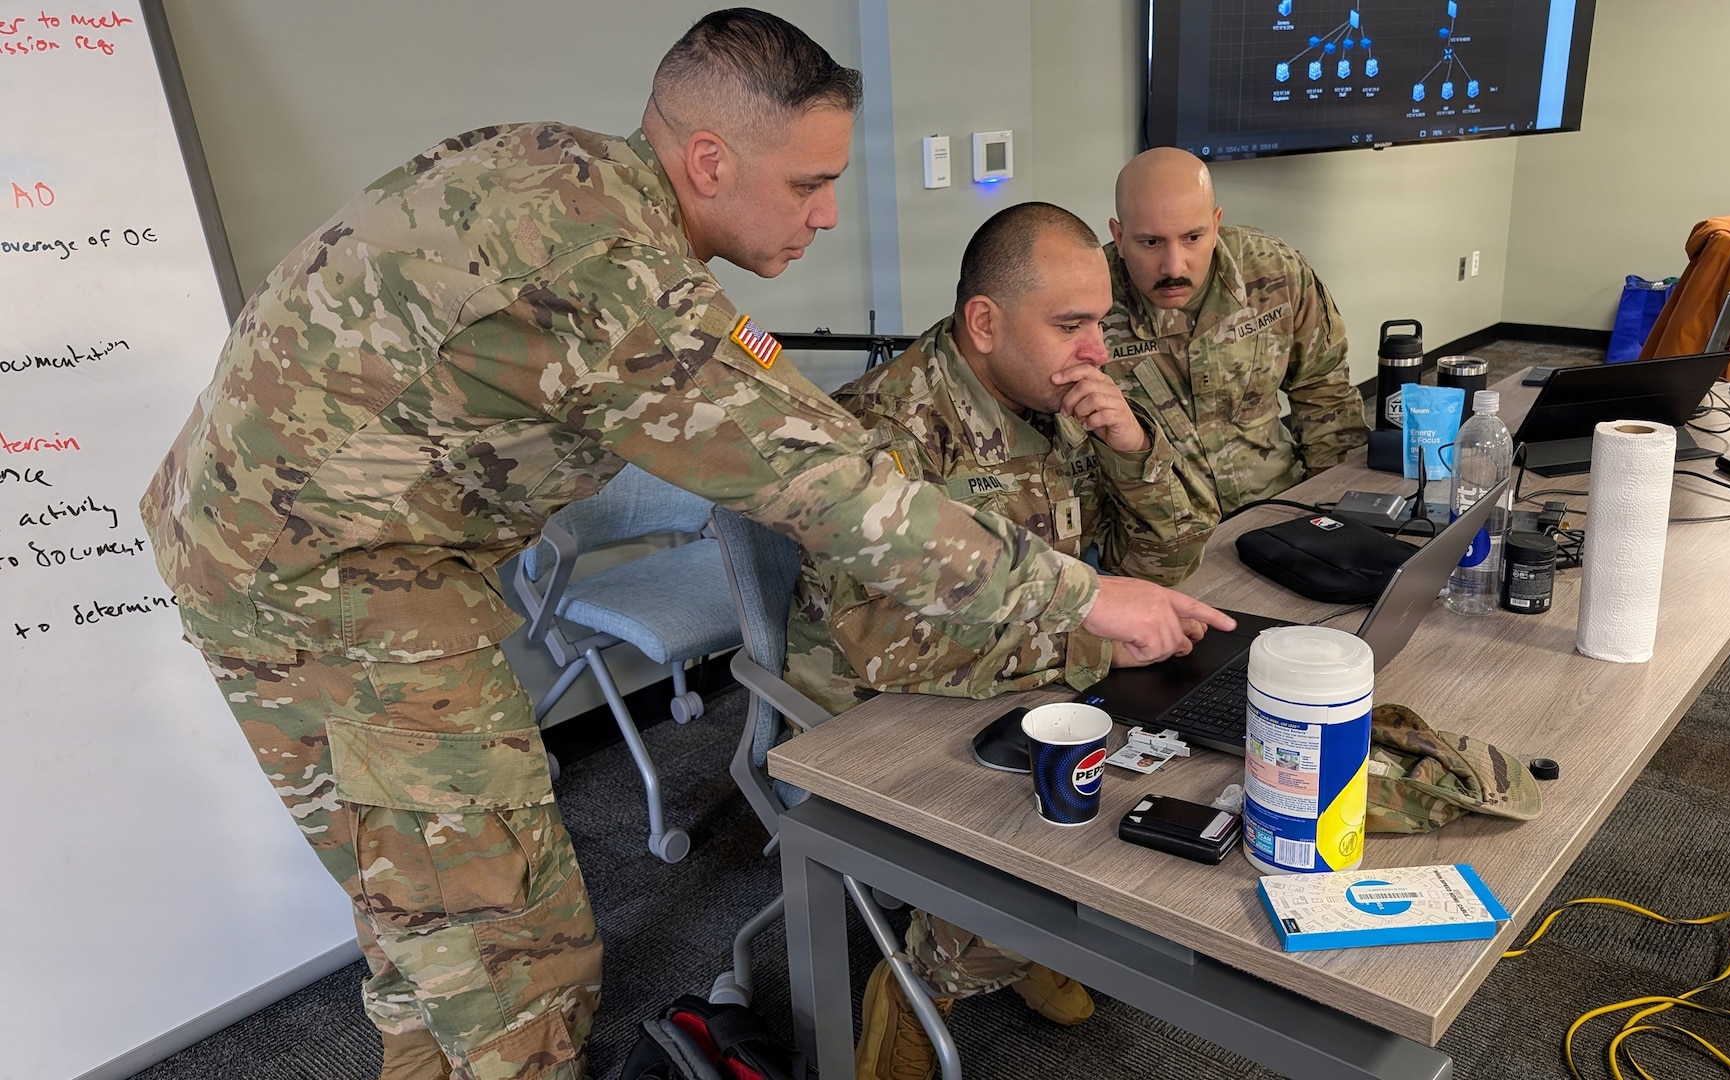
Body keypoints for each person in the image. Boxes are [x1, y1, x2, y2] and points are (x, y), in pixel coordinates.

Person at [137, 11, 1229, 1080]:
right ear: (707, 160)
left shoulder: (558, 170)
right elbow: (829, 486)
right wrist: (1077, 597)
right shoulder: (612, 276)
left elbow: (770, 411)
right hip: (337, 583)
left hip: (254, 542)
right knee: (515, 963)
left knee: (422, 928)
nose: (829, 217)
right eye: (807, 184)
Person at [785, 202, 1213, 1080]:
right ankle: (921, 984)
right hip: (879, 708)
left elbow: (1159, 565)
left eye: (1099, 320)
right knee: (1056, 818)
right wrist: (1091, 651)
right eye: (1072, 324)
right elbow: (886, 648)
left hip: (1020, 666)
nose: (1095, 347)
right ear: (984, 322)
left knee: (1191, 766)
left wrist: (1131, 449)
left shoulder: (1050, 392)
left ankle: (1022, 943)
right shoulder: (882, 433)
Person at [1101, 147, 1367, 522]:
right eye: (1151, 242)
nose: (1173, 265)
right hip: (1161, 536)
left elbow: (1324, 393)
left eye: (1193, 237)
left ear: (1216, 223)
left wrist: (1335, 512)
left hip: (1279, 506)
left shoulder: (1275, 272)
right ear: (1118, 234)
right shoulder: (1088, 305)